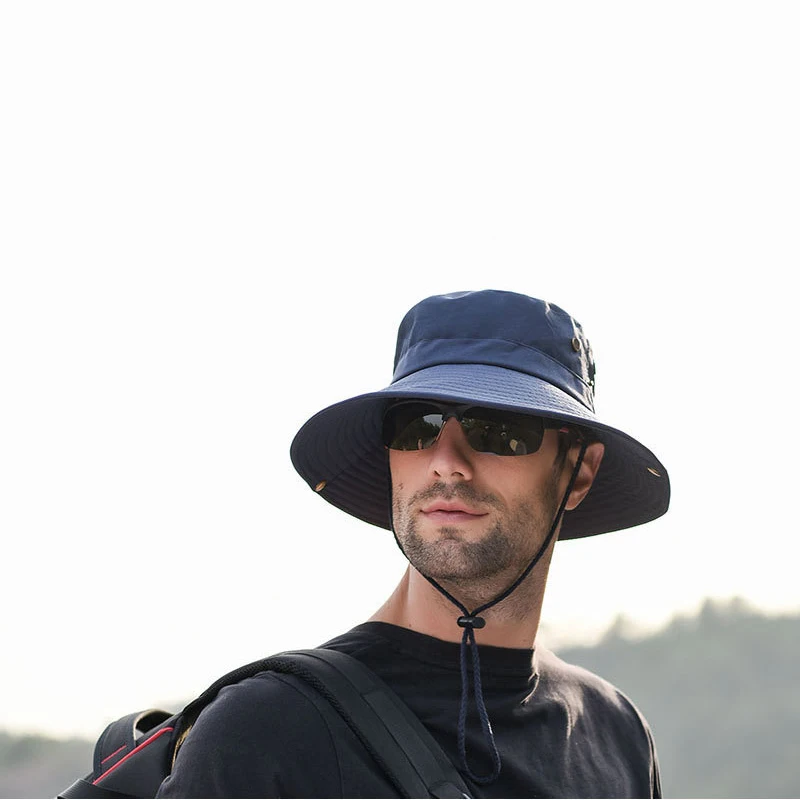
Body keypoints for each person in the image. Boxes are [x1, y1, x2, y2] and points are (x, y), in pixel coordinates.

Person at [157, 289, 670, 798]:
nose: (446, 462)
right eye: (416, 425)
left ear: (579, 470)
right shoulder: (264, 732)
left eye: (499, 429)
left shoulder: (617, 736)